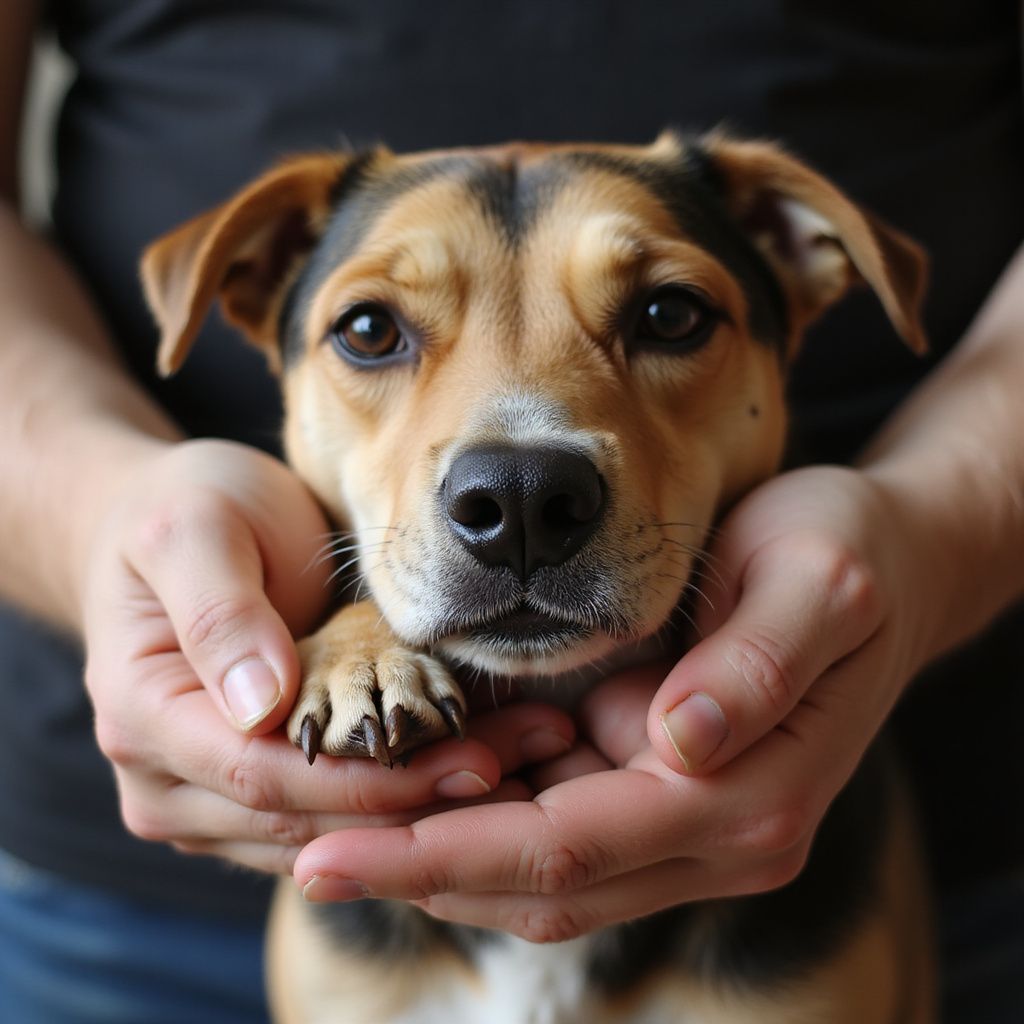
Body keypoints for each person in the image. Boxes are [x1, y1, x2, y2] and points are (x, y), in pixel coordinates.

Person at [0, 2, 1021, 1022]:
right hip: (153, 900)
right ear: (257, 304)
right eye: (372, 330)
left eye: (666, 315)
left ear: (797, 274)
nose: (515, 476)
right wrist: (105, 521)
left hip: (879, 831)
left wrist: (938, 529)